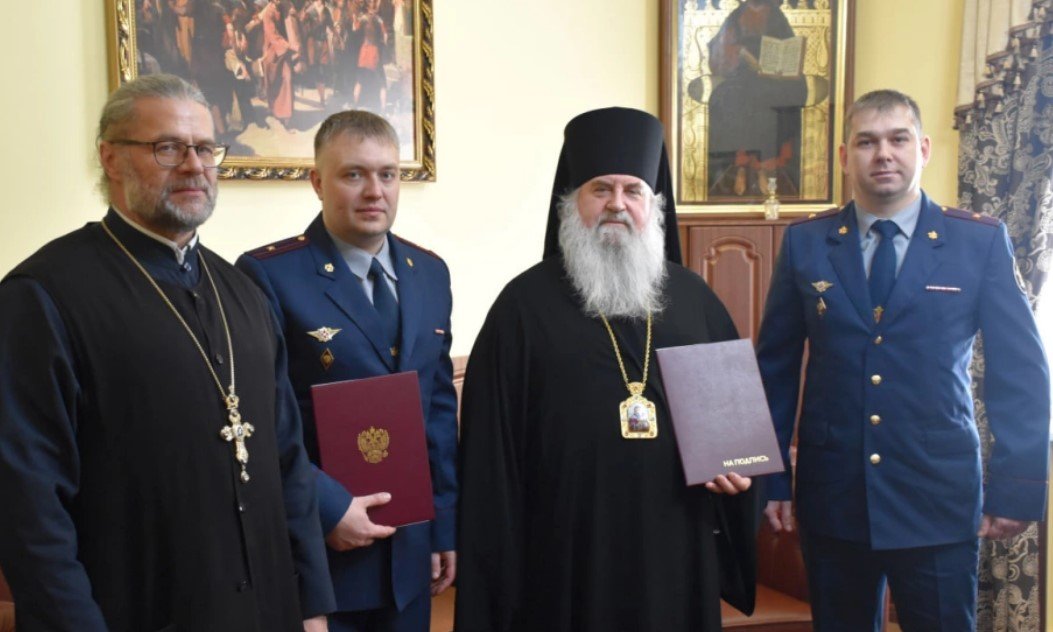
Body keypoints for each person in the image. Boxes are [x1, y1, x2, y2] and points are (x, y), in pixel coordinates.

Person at [0, 74, 335, 630]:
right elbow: (28, 507)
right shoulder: (43, 297)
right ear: (110, 158)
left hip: (268, 610)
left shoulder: (246, 294)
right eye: (168, 147)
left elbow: (288, 465)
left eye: (205, 148)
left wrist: (313, 606)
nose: (194, 165)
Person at [757, 89, 1050, 631]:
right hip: (834, 494)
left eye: (898, 139)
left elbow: (1022, 374)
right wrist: (770, 480)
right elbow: (772, 369)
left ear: (925, 148)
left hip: (937, 495)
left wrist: (1016, 485)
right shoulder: (806, 243)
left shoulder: (977, 242)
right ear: (845, 156)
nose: (883, 154)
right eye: (866, 142)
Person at [455, 107, 757, 632]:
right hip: (562, 555)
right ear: (571, 203)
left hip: (674, 548)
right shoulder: (522, 308)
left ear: (653, 206)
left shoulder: (694, 301)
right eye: (600, 189)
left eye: (633, 191)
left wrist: (740, 474)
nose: (617, 204)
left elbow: (738, 441)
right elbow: (489, 457)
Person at [236, 109, 458, 632]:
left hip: (411, 550)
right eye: (352, 174)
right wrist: (328, 508)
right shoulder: (269, 275)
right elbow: (263, 414)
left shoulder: (429, 272)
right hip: (321, 547)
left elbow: (439, 411)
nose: (374, 191)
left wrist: (442, 525)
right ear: (317, 182)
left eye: (388, 174)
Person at [707, 0, 808, 199]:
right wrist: (735, 52)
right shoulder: (737, 16)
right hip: (742, 78)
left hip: (776, 78)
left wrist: (787, 65)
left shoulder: (776, 15)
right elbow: (719, 53)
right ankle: (741, 166)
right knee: (729, 97)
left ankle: (769, 168)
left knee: (793, 91)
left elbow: (788, 46)